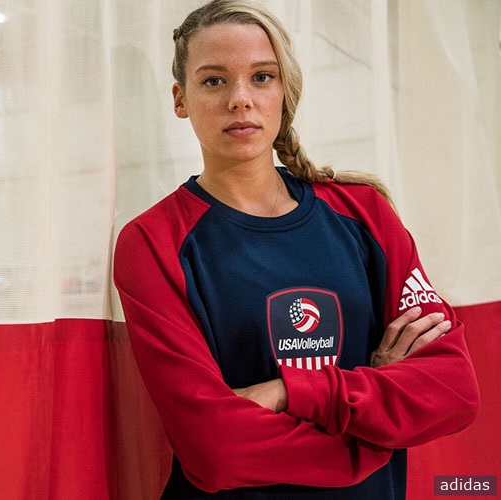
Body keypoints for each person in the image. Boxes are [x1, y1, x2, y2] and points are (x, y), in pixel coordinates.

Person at [112, 1, 480, 498]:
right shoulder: (152, 243)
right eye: (214, 81)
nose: (240, 99)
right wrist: (375, 432)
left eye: (261, 77)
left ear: (285, 90)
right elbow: (214, 450)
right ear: (181, 99)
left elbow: (453, 390)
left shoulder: (363, 211)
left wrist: (290, 391)